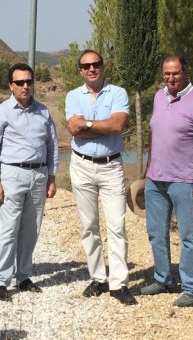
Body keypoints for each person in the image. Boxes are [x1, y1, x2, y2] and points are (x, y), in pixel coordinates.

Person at [140, 55, 193, 307]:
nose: (171, 78)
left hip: (184, 181)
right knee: (156, 233)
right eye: (166, 74)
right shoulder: (159, 97)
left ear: (185, 72)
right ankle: (163, 279)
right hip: (155, 180)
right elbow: (155, 135)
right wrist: (148, 168)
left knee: (188, 237)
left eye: (175, 73)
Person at [65, 49, 136, 305]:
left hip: (111, 167)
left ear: (102, 67)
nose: (92, 69)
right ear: (80, 71)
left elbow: (118, 125)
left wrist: (89, 124)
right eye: (86, 66)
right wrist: (98, 127)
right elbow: (74, 131)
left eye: (96, 64)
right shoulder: (73, 96)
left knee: (117, 226)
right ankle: (98, 278)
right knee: (88, 226)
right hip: (82, 166)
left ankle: (119, 284)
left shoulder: (118, 93)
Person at [0, 63, 58, 301]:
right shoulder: (1, 112)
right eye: (20, 82)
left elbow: (52, 145)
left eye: (29, 81)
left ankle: (24, 276)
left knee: (31, 229)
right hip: (12, 175)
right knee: (9, 229)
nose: (25, 86)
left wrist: (52, 177)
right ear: (11, 85)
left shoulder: (44, 112)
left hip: (39, 175)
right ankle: (0, 280)